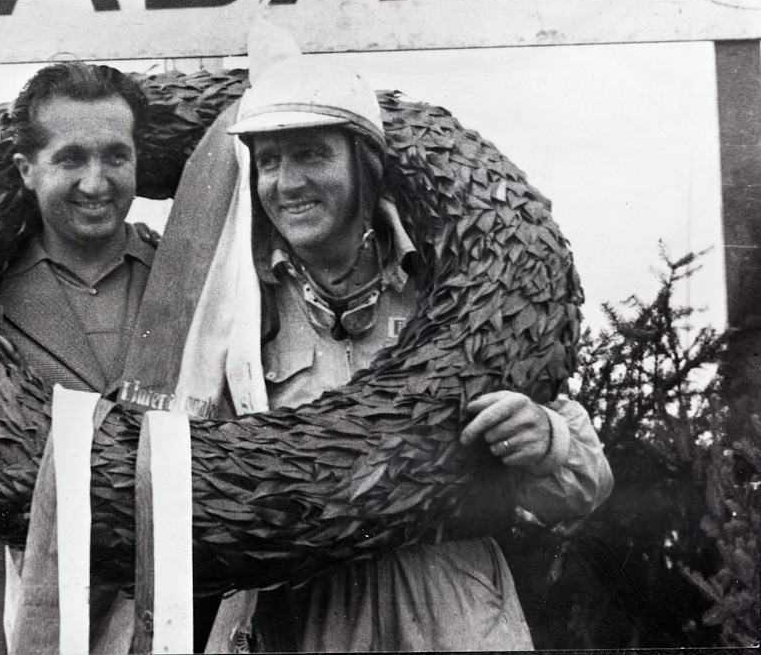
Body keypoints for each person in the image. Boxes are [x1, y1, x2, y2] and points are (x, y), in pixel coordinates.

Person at [194, 52, 614, 652]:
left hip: (445, 596)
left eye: (313, 154)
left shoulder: (447, 281)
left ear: (365, 165)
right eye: (269, 162)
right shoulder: (234, 302)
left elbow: (585, 486)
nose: (287, 184)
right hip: (293, 610)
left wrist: (544, 439)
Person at [0, 62, 157, 655]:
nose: (96, 182)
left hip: (165, 604)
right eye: (70, 159)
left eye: (116, 156)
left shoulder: (185, 280)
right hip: (12, 601)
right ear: (27, 171)